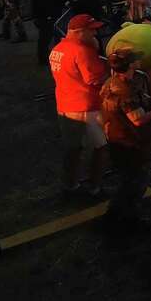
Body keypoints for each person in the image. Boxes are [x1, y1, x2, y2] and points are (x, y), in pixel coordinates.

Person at [98, 49, 151, 230]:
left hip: (117, 138)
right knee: (134, 183)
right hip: (129, 142)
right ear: (131, 64)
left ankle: (117, 216)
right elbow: (137, 119)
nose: (139, 62)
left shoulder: (113, 82)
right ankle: (126, 221)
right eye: (135, 60)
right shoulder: (125, 89)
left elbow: (133, 105)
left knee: (128, 181)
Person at [50, 14, 110, 196]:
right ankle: (95, 187)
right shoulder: (82, 51)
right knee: (101, 147)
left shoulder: (58, 48)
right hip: (86, 105)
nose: (95, 33)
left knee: (73, 148)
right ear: (79, 32)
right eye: (91, 30)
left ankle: (70, 184)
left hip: (65, 103)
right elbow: (95, 79)